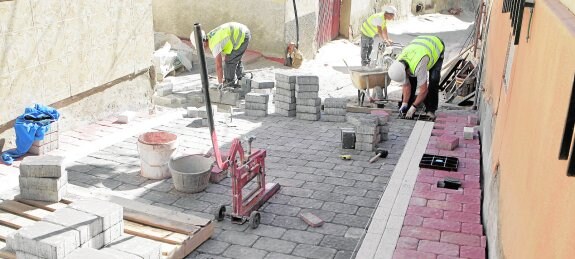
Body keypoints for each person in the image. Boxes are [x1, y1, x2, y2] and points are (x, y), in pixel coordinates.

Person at [388, 35, 445, 119]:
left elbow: (423, 90)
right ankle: (407, 107)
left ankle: (430, 109)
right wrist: (404, 103)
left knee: (433, 80)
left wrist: (414, 107)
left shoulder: (419, 64)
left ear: (405, 70)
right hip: (419, 45)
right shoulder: (398, 64)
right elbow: (406, 86)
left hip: (436, 45)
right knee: (411, 80)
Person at [191, 22, 250, 87]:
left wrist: (220, 83)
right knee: (234, 57)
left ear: (203, 43)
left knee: (229, 61)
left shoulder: (214, 45)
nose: (201, 49)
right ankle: (242, 77)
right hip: (242, 30)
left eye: (200, 47)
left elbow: (219, 66)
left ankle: (229, 84)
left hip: (243, 36)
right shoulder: (209, 36)